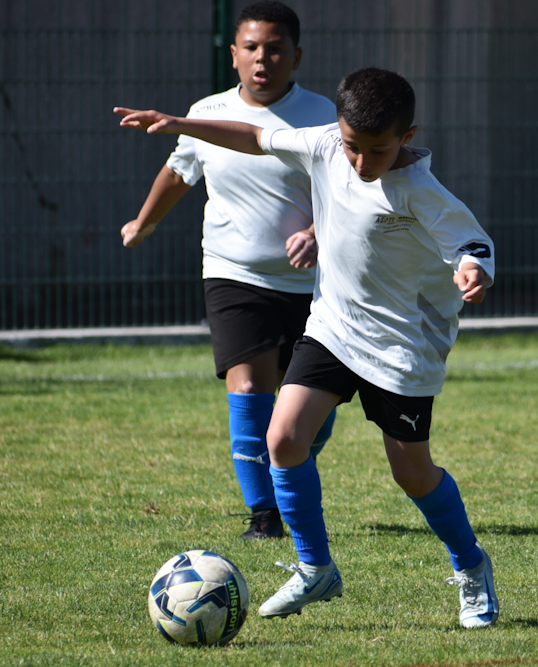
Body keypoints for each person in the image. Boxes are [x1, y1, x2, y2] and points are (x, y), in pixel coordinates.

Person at [115, 67, 499, 629]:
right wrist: (182, 124)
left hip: (403, 346)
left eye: (377, 150)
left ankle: (471, 565)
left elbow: (471, 241)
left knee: (412, 474)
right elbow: (254, 136)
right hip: (334, 328)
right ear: (337, 128)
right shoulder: (324, 145)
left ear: (407, 137)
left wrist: (473, 269)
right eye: (352, 145)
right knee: (284, 439)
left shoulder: (420, 191)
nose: (360, 161)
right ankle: (315, 567)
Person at [117, 1, 337, 540]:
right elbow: (178, 173)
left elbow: (348, 191)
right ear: (234, 54)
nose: (263, 59)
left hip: (314, 285)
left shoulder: (324, 116)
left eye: (276, 49)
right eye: (252, 48)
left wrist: (316, 232)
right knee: (249, 388)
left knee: (311, 411)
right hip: (233, 273)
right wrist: (144, 222)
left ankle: (288, 466)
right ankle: (265, 515)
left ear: (297, 57)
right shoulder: (205, 113)